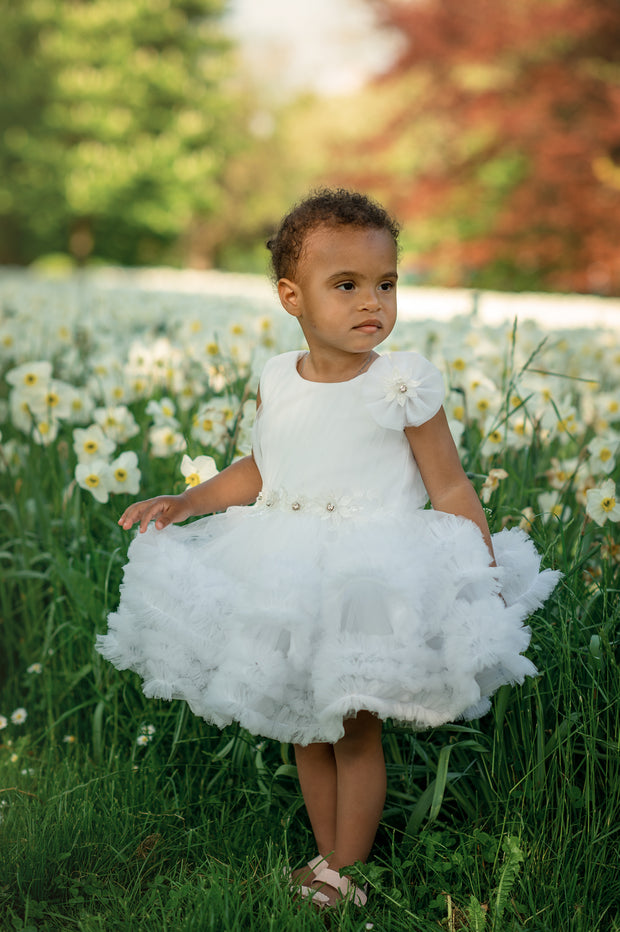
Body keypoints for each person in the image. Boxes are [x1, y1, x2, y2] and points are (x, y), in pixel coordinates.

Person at [96, 188, 559, 910]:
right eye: (346, 285)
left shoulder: (403, 385)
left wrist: (480, 571)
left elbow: (451, 488)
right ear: (292, 296)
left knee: (350, 723)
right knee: (302, 723)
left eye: (386, 283)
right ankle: (327, 857)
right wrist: (187, 501)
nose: (371, 301)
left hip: (367, 573)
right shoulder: (277, 378)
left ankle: (349, 872)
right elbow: (262, 469)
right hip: (281, 566)